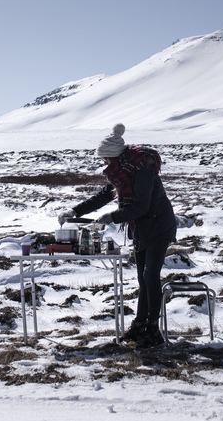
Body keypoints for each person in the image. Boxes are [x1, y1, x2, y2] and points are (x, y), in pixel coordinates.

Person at [59, 123, 177, 348]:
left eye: (105, 159)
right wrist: (75, 211)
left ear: (113, 156)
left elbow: (141, 206)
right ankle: (140, 325)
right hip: (142, 229)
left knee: (150, 275)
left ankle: (152, 329)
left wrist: (112, 217)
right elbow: (105, 195)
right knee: (143, 278)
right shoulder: (123, 173)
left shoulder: (141, 171)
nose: (104, 163)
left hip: (159, 226)